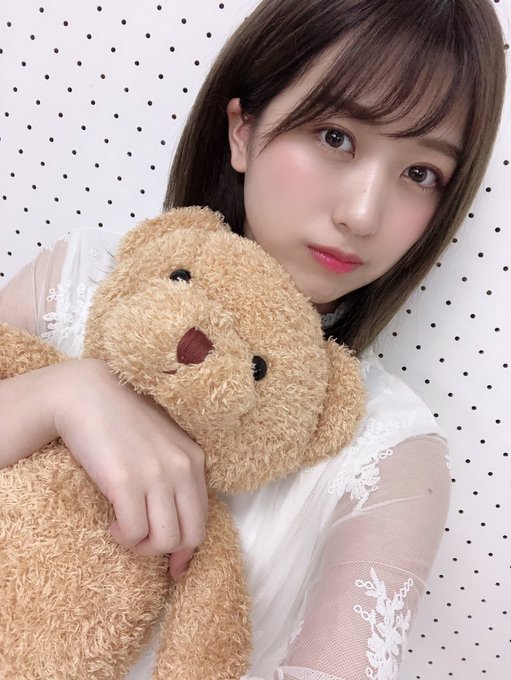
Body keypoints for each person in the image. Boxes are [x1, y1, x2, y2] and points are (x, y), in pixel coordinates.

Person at [0, 0, 506, 678]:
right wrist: (60, 395)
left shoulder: (390, 454)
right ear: (242, 130)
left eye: (420, 174)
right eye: (335, 136)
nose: (362, 214)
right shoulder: (78, 279)